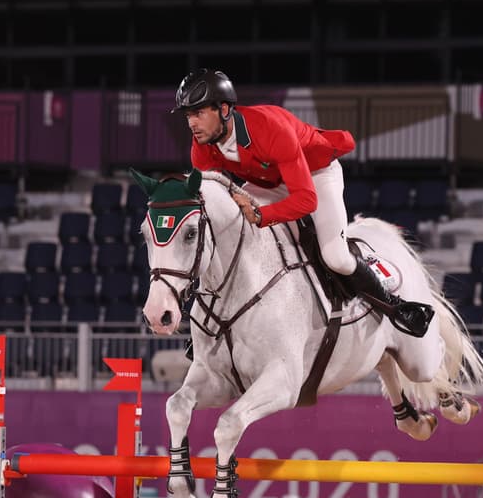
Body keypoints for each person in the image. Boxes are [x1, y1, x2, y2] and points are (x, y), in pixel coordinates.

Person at [172, 68, 434, 338]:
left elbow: (306, 200)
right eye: (188, 115)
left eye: (199, 113)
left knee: (335, 256)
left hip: (315, 174)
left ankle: (396, 306)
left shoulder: (269, 127)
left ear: (224, 109)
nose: (192, 123)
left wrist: (261, 215)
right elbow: (210, 201)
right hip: (269, 184)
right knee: (230, 233)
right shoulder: (201, 145)